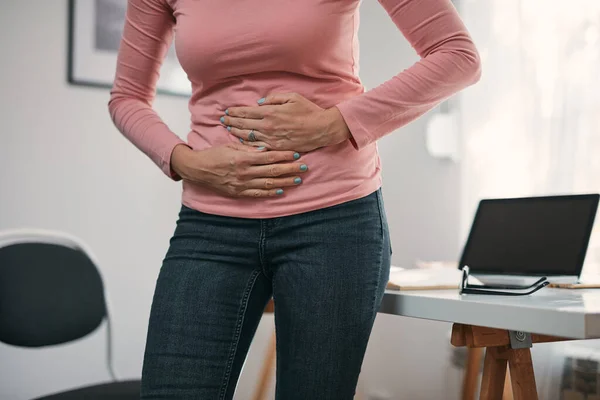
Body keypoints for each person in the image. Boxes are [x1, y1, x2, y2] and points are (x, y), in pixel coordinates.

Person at [108, 0, 480, 398]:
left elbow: (458, 57)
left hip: (333, 222)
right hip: (209, 226)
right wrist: (188, 163)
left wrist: (334, 123)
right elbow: (126, 97)